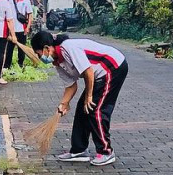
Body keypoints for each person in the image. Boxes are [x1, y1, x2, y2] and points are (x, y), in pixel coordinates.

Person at [30, 30, 128, 167]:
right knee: (83, 109)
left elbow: (88, 72)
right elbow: (71, 86)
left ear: (46, 48)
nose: (38, 57)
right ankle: (79, 150)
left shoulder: (68, 48)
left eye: (38, 53)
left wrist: (89, 96)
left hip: (112, 67)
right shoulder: (58, 62)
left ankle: (106, 152)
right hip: (97, 75)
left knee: (96, 109)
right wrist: (64, 104)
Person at [5, 0, 34, 70]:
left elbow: (30, 15)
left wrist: (28, 27)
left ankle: (20, 64)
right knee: (9, 49)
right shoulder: (9, 0)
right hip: (11, 29)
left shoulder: (26, 1)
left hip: (22, 28)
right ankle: (7, 66)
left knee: (21, 49)